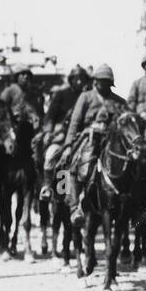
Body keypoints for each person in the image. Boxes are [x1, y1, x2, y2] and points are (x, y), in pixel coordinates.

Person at [63, 64, 127, 224]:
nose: (103, 84)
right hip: (89, 138)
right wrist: (68, 145)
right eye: (100, 81)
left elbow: (127, 121)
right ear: (95, 81)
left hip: (112, 140)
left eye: (106, 81)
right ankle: (74, 204)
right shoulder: (86, 97)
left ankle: (134, 207)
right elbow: (75, 122)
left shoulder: (118, 101)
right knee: (77, 165)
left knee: (131, 166)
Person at [41, 64, 89, 198]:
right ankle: (47, 187)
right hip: (62, 136)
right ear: (71, 79)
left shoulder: (87, 96)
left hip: (82, 136)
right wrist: (48, 133)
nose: (79, 82)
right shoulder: (61, 94)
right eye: (77, 78)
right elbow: (50, 116)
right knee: (50, 155)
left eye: (82, 79)